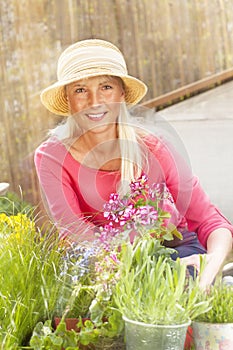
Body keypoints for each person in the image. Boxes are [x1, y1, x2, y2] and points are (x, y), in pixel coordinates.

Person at [34, 38, 233, 288]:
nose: (94, 101)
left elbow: (211, 222)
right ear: (68, 99)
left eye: (106, 87)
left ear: (122, 94)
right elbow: (77, 239)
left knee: (180, 290)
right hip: (106, 266)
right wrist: (150, 271)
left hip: (174, 249)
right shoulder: (52, 157)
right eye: (80, 90)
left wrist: (210, 268)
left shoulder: (153, 147)